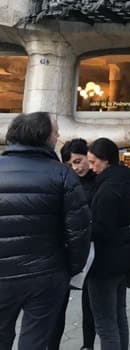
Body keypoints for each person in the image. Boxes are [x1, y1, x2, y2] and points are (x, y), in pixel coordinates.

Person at [0, 112, 91, 350]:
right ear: (43, 136)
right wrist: (71, 269)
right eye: (55, 132)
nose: (59, 136)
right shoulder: (62, 175)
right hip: (46, 274)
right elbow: (79, 233)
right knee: (37, 341)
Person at [87, 137, 130, 350]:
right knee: (119, 316)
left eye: (93, 162)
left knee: (106, 324)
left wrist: (82, 229)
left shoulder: (107, 189)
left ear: (106, 160)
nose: (91, 167)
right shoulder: (125, 180)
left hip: (104, 262)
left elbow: (102, 229)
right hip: (122, 257)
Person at [48, 138, 97, 350]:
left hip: (93, 251)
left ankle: (87, 345)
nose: (76, 167)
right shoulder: (64, 182)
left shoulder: (99, 181)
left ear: (89, 156)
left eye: (78, 161)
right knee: (57, 306)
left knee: (91, 304)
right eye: (70, 164)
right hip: (66, 252)